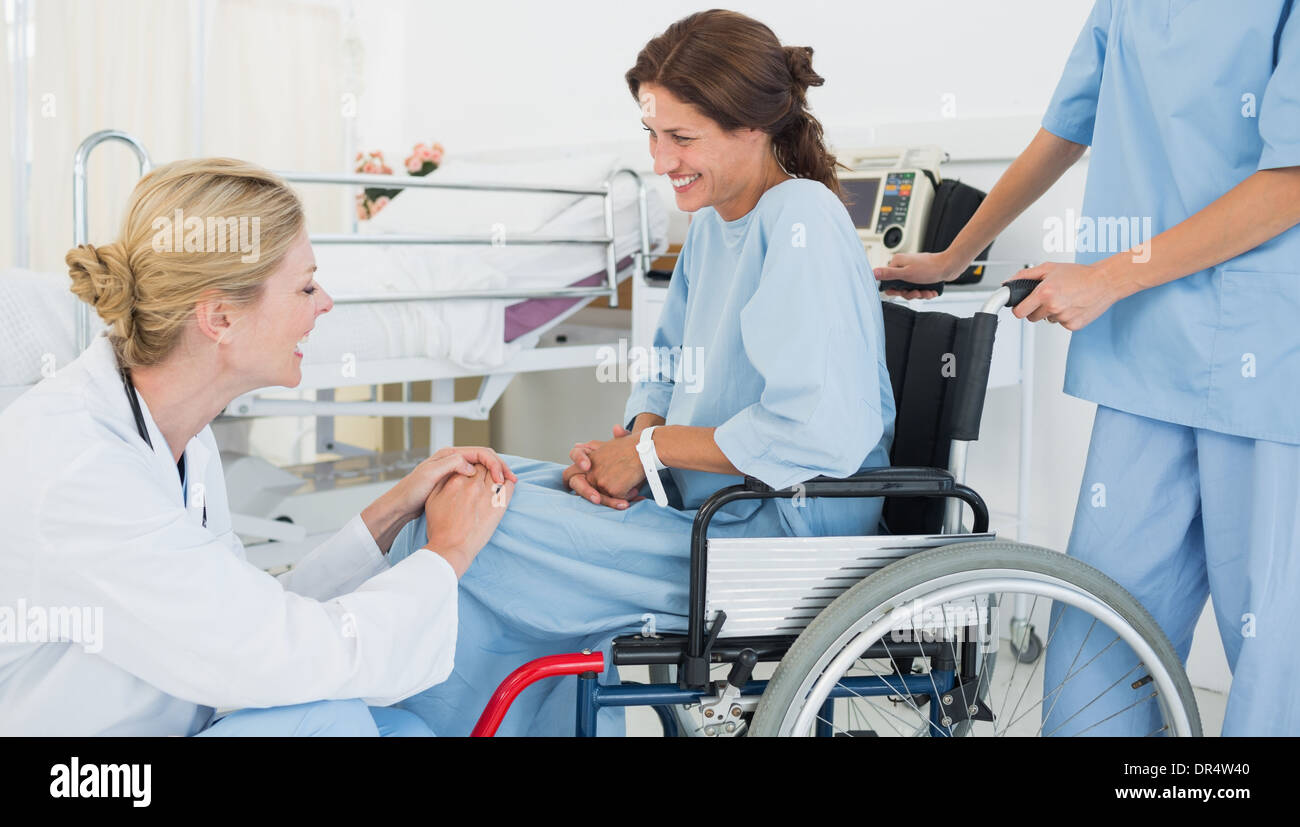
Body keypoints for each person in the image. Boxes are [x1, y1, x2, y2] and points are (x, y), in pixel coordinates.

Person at [383, 9, 897, 736]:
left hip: (778, 531)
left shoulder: (802, 220)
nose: (660, 161)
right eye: (652, 135)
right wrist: (630, 450)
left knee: (481, 535)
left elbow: (816, 428)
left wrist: (648, 454)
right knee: (463, 488)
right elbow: (666, 368)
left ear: (754, 126)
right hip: (699, 508)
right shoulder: (715, 225)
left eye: (681, 137)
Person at [873, 0, 1300, 735]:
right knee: (1100, 631)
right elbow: (1064, 131)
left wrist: (1106, 278)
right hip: (1144, 357)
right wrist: (954, 252)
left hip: (1261, 358)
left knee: (1274, 650)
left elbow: (1290, 181)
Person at [0, 158, 517, 736]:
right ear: (219, 317)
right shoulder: (78, 469)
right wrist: (446, 554)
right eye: (304, 285)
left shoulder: (183, 439)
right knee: (334, 721)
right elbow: (268, 655)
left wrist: (390, 513)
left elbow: (240, 618)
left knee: (399, 731)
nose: (324, 303)